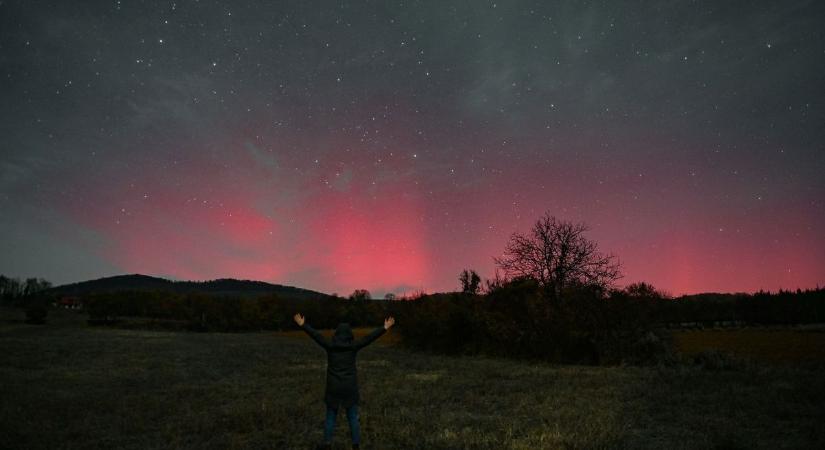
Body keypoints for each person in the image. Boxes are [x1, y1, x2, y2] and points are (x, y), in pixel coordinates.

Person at [293, 313, 395, 450]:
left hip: (333, 387)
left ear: (336, 333)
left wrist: (302, 325)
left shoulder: (330, 345)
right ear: (349, 334)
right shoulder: (353, 346)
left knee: (330, 417)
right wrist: (384, 327)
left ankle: (327, 445)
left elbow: (316, 336)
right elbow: (368, 338)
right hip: (349, 387)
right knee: (352, 417)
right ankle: (356, 446)